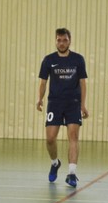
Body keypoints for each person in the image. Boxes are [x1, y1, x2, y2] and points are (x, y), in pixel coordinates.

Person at [36, 28, 88, 188]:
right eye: (59, 40)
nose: (62, 43)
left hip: (73, 103)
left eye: (65, 40)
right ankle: (54, 162)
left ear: (69, 41)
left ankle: (72, 173)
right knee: (50, 139)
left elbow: (82, 83)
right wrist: (40, 98)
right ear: (55, 41)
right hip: (55, 103)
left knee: (73, 136)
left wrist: (82, 104)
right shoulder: (48, 60)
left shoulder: (78, 59)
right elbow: (44, 82)